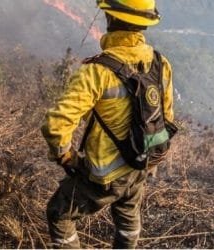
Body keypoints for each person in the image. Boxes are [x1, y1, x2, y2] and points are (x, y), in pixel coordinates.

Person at [41, 0, 175, 248]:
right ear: (145, 23)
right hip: (141, 165)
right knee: (128, 217)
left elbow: (56, 125)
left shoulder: (97, 71)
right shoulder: (160, 63)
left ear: (110, 18)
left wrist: (66, 156)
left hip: (104, 177)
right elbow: (167, 119)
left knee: (59, 213)